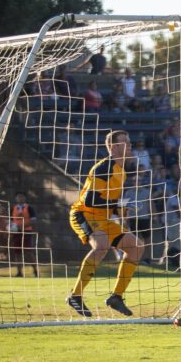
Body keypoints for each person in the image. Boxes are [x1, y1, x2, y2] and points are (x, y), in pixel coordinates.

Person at [67, 130, 144, 317]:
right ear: (114, 147)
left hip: (103, 218)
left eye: (129, 141)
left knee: (136, 246)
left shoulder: (122, 171)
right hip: (84, 214)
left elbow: (107, 202)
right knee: (102, 245)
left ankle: (116, 297)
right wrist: (118, 206)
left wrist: (121, 210)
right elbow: (91, 201)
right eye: (126, 142)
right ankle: (75, 296)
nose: (130, 145)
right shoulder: (103, 168)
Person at [10, 192, 38, 278]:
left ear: (25, 198)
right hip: (16, 233)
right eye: (18, 197)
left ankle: (35, 271)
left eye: (22, 197)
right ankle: (19, 272)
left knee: (28, 252)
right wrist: (11, 227)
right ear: (16, 198)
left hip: (26, 232)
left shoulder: (29, 208)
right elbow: (10, 221)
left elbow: (33, 220)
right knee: (17, 253)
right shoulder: (13, 208)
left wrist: (22, 227)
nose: (20, 198)